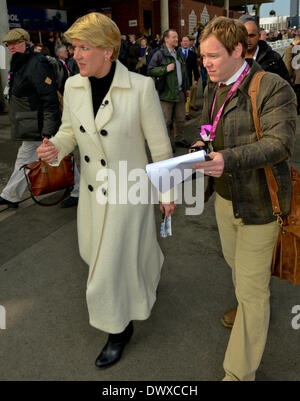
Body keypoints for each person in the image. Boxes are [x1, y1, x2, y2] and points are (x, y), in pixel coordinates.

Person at [36, 12, 176, 368]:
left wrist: (166, 191)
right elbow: (69, 132)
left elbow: (159, 147)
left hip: (129, 191)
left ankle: (118, 329)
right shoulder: (73, 85)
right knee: (94, 253)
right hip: (92, 192)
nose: (76, 54)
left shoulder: (141, 88)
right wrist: (55, 148)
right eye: (74, 47)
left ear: (108, 51)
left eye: (85, 47)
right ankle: (149, 267)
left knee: (109, 266)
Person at [192, 17, 296, 381]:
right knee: (239, 272)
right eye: (202, 56)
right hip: (224, 201)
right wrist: (200, 146)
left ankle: (238, 374)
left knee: (252, 292)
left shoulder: (272, 87)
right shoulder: (213, 86)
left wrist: (227, 159)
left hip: (260, 208)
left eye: (213, 56)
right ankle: (248, 303)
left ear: (238, 50)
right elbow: (208, 127)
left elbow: (279, 144)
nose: (205, 63)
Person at [0, 28, 61, 209]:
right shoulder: (20, 63)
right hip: (30, 123)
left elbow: (49, 98)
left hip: (38, 124)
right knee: (56, 156)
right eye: (7, 44)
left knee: (51, 156)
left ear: (25, 43)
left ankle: (11, 195)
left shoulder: (36, 64)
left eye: (14, 43)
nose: (10, 47)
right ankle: (11, 195)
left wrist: (48, 131)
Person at [148, 29, 190, 151]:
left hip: (180, 92)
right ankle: (166, 143)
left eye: (177, 37)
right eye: (174, 37)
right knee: (166, 121)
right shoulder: (159, 54)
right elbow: (150, 70)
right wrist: (165, 69)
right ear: (166, 39)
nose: (177, 39)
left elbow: (184, 73)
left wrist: (186, 88)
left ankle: (179, 139)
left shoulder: (179, 53)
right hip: (166, 94)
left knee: (180, 119)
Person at [239, 15, 290, 82]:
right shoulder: (230, 58)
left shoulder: (273, 58)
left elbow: (286, 86)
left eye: (252, 36)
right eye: (244, 35)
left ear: (259, 36)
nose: (248, 40)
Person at [180, 36, 200, 120]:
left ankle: (186, 113)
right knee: (181, 95)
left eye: (186, 41)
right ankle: (180, 113)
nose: (185, 43)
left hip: (188, 77)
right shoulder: (177, 53)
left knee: (188, 94)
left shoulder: (192, 54)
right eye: (183, 41)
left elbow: (195, 67)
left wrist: (196, 79)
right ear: (181, 43)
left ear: (189, 43)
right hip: (179, 77)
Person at [283, 34, 300, 114]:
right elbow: (288, 65)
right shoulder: (290, 49)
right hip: (294, 77)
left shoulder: (292, 48)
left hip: (295, 78)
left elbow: (288, 64)